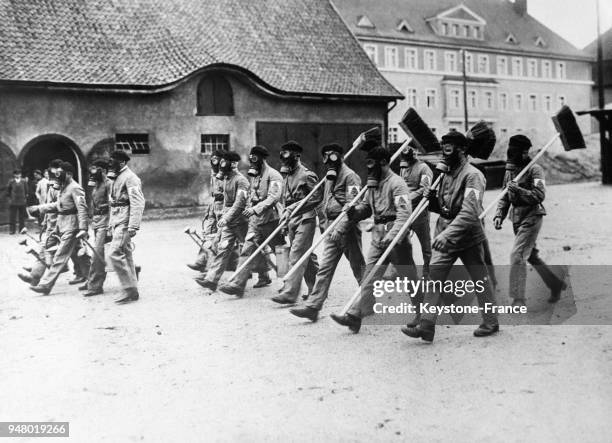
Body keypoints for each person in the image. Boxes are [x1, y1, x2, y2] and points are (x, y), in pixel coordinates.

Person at [401, 131, 499, 342]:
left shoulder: (473, 175)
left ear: (462, 150)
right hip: (445, 230)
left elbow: (469, 212)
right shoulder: (446, 173)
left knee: (479, 279)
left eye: (449, 148)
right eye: (443, 147)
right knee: (434, 277)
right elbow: (445, 208)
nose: (445, 153)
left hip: (468, 234)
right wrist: (431, 200)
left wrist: (447, 235)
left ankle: (491, 321)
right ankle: (427, 326)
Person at [329, 146, 417, 333]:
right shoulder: (373, 184)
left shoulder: (397, 183)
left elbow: (404, 213)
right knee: (369, 277)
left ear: (383, 163)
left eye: (371, 163)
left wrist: (393, 236)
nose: (368, 168)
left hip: (395, 238)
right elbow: (366, 208)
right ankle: (354, 316)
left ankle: (423, 315)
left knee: (409, 280)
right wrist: (353, 211)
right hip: (378, 235)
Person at [289, 143, 365, 322]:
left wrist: (340, 227)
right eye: (326, 155)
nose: (329, 159)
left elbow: (353, 206)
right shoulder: (328, 178)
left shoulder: (350, 176)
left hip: (347, 228)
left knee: (358, 268)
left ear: (341, 157)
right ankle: (313, 306)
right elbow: (318, 200)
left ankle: (367, 300)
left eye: (333, 155)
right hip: (331, 228)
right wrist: (294, 209)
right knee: (324, 269)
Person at [494, 134, 567, 305]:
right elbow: (505, 195)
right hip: (516, 218)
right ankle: (555, 284)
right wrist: (499, 215)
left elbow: (539, 195)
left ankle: (518, 299)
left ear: (525, 152)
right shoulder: (510, 169)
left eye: (517, 152)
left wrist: (519, 189)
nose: (512, 155)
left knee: (517, 255)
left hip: (532, 216)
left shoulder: (535, 169)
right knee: (531, 256)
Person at [219, 145, 284, 297]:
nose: (252, 163)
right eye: (250, 159)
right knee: (247, 250)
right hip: (255, 221)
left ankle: (288, 285)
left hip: (271, 220)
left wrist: (256, 208)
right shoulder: (255, 176)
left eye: (255, 159)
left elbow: (273, 197)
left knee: (279, 251)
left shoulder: (274, 175)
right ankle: (237, 284)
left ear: (262, 159)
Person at [270, 141, 322, 305]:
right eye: (282, 153)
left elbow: (316, 197)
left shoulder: (307, 175)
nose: (283, 157)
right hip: (292, 220)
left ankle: (290, 293)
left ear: (297, 156)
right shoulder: (287, 176)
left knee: (297, 254)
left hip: (306, 218)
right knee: (307, 256)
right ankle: (317, 288)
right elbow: (285, 201)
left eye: (287, 154)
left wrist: (292, 209)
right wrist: (285, 223)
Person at [28, 162, 88, 295]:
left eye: (60, 173)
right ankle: (93, 278)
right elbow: (59, 205)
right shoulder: (63, 187)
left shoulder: (75, 188)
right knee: (79, 254)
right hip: (61, 225)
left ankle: (46, 285)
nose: (57, 175)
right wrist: (40, 208)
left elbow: (82, 209)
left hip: (72, 226)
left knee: (60, 255)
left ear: (69, 174)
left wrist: (83, 228)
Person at [196, 151, 249, 291]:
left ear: (233, 164)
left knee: (247, 251)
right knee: (223, 249)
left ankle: (245, 282)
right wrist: (222, 216)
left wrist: (226, 217)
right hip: (229, 223)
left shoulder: (241, 180)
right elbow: (225, 202)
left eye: (224, 162)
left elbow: (239, 203)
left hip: (241, 222)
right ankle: (211, 280)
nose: (221, 164)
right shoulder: (225, 179)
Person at [106, 150, 145, 304]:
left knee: (114, 253)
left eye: (113, 161)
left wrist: (133, 226)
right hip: (117, 219)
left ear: (122, 162)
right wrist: (111, 223)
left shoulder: (131, 178)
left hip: (125, 220)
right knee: (126, 256)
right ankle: (133, 290)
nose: (110, 164)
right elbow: (114, 202)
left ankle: (128, 289)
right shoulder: (116, 177)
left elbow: (138, 202)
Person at [18, 160, 62, 286]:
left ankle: (86, 274)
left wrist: (39, 208)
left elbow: (59, 205)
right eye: (50, 174)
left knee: (76, 254)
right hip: (52, 224)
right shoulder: (51, 187)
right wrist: (46, 222)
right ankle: (35, 276)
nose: (51, 178)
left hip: (63, 225)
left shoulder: (62, 187)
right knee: (43, 249)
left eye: (54, 175)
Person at [78, 159, 113, 297]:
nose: (92, 172)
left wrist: (110, 225)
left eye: (95, 169)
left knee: (98, 254)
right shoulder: (96, 184)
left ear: (103, 170)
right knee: (100, 254)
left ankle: (95, 285)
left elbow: (112, 205)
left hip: (105, 222)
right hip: (97, 222)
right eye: (91, 169)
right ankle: (91, 282)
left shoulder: (109, 184)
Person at [399, 142, 433, 278]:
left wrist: (410, 196)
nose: (406, 161)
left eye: (409, 157)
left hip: (419, 211)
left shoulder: (424, 168)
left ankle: (428, 271)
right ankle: (404, 270)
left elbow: (425, 189)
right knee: (401, 241)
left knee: (425, 244)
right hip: (405, 210)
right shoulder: (403, 167)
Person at [187, 150, 224, 272]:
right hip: (214, 205)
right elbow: (213, 192)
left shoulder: (227, 173)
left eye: (216, 159)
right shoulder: (213, 173)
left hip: (224, 207)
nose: (214, 161)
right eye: (212, 159)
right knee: (208, 234)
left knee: (223, 237)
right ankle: (202, 261)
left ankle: (240, 265)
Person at [7, 169, 28, 234]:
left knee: (22, 217)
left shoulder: (24, 181)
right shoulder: (11, 181)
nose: (18, 175)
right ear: (14, 175)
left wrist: (25, 199)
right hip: (14, 201)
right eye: (16, 174)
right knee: (12, 216)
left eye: (19, 174)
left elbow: (26, 191)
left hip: (22, 201)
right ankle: (12, 230)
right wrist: (10, 199)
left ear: (20, 174)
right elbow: (8, 191)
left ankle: (22, 229)